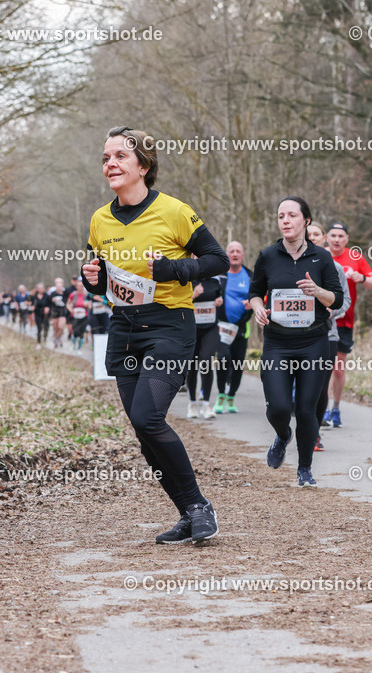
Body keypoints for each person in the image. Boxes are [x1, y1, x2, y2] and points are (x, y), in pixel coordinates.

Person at [81, 125, 228, 544]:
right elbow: (101, 279)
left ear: (143, 166)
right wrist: (90, 277)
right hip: (124, 328)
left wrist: (174, 269)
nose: (110, 163)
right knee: (143, 428)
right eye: (106, 157)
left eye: (120, 156)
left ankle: (199, 505)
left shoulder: (175, 211)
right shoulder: (99, 219)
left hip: (169, 325)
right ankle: (187, 514)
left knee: (148, 416)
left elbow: (216, 260)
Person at [249, 197, 344, 487]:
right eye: (281, 216)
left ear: (306, 221)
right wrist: (257, 308)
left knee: (306, 409)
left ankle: (305, 468)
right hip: (277, 342)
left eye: (292, 215)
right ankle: (282, 434)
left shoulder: (322, 257)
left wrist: (317, 291)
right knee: (278, 407)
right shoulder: (268, 256)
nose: (286, 220)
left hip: (313, 341)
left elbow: (337, 299)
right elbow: (255, 292)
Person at [324, 221, 372, 428]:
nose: (336, 239)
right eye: (333, 235)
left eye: (340, 236)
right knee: (322, 366)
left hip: (345, 320)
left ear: (347, 239)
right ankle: (322, 409)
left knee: (338, 368)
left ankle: (335, 408)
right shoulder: (320, 255)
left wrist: (361, 278)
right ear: (327, 237)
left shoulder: (355, 257)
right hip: (322, 320)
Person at [306, 222, 350, 450]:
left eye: (316, 234)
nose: (312, 237)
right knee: (301, 384)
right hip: (296, 335)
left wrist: (332, 310)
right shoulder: (291, 265)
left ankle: (314, 434)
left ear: (324, 238)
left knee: (321, 385)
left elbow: (346, 300)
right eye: (308, 234)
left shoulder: (336, 268)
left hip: (328, 334)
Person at [213, 241, 252, 414]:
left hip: (241, 327)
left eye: (238, 251)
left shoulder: (250, 276)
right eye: (231, 251)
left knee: (237, 363)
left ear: (243, 255)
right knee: (222, 358)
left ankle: (231, 396)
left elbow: (258, 297)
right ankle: (221, 394)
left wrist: (252, 305)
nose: (235, 254)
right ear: (226, 254)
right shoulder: (219, 276)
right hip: (221, 327)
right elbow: (209, 293)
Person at [186, 269, 222, 419]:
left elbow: (219, 298)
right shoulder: (187, 280)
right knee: (192, 366)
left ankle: (206, 404)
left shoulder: (215, 281)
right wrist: (193, 295)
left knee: (207, 360)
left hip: (210, 328)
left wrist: (219, 301)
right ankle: (192, 403)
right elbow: (177, 304)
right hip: (192, 329)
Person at [67, 278, 91, 351]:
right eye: (78, 286)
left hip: (84, 316)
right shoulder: (73, 294)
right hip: (74, 316)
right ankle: (74, 344)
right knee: (75, 331)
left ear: (83, 286)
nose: (79, 287)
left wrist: (87, 305)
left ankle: (79, 348)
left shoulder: (87, 295)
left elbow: (90, 306)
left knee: (81, 332)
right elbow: (67, 304)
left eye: (81, 286)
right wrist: (71, 310)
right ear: (76, 287)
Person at [47, 277, 68, 347]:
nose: (59, 286)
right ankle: (57, 339)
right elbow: (49, 303)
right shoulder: (52, 293)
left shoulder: (65, 293)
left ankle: (58, 338)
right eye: (57, 284)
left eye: (60, 284)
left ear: (62, 285)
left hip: (63, 311)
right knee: (55, 328)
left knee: (61, 327)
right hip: (55, 312)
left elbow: (68, 301)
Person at [31, 282, 49, 347]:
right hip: (37, 313)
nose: (41, 289)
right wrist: (32, 307)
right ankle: (38, 342)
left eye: (42, 288)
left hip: (45, 314)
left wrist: (48, 308)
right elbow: (32, 304)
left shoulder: (47, 296)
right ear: (37, 289)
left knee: (46, 327)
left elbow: (50, 304)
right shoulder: (34, 297)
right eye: (40, 288)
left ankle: (45, 339)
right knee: (39, 327)